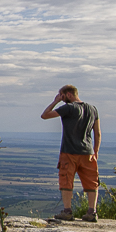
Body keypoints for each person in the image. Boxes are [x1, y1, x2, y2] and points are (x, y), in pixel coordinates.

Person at [40, 84, 101, 221]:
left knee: (66, 180)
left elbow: (45, 115)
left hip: (69, 152)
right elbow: (97, 132)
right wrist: (95, 151)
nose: (61, 98)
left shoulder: (69, 108)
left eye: (61, 95)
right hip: (88, 152)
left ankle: (67, 211)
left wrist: (55, 101)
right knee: (92, 182)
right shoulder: (93, 109)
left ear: (68, 94)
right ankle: (92, 212)